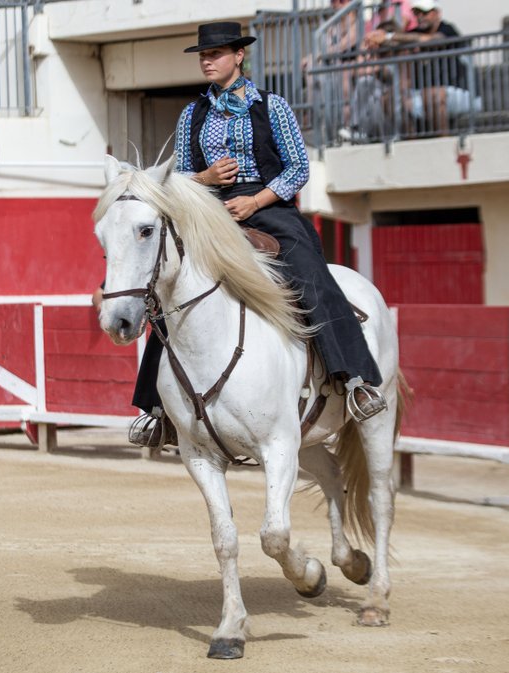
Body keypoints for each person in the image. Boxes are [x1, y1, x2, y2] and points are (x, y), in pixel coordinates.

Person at [128, 22, 387, 448]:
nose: (207, 61)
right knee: (169, 284)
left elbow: (298, 169)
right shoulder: (193, 112)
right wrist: (206, 177)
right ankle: (156, 409)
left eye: (216, 53)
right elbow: (177, 178)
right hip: (210, 211)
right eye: (203, 55)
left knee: (309, 273)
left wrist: (256, 201)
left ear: (239, 56)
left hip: (269, 209)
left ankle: (355, 380)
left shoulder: (272, 106)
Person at [365, 0, 475, 135]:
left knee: (432, 94)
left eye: (425, 12)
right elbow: (397, 43)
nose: (420, 16)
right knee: (389, 99)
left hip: (457, 92)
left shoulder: (448, 29)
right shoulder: (413, 33)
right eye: (417, 13)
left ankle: (443, 143)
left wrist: (388, 36)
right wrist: (375, 40)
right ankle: (412, 145)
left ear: (437, 13)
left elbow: (429, 40)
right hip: (423, 93)